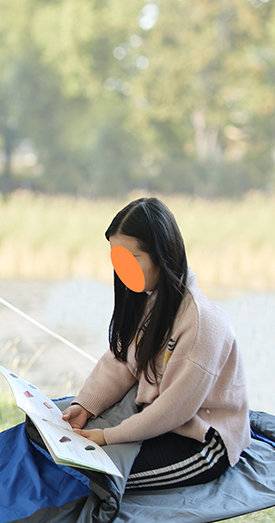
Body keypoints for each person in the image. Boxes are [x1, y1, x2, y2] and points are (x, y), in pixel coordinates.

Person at [62, 197, 251, 490]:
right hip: (152, 419)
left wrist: (108, 437)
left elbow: (174, 410)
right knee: (57, 439)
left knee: (88, 476)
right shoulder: (150, 300)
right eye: (116, 258)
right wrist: (85, 406)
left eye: (132, 258)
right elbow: (121, 360)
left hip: (198, 439)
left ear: (162, 255)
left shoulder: (202, 323)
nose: (122, 269)